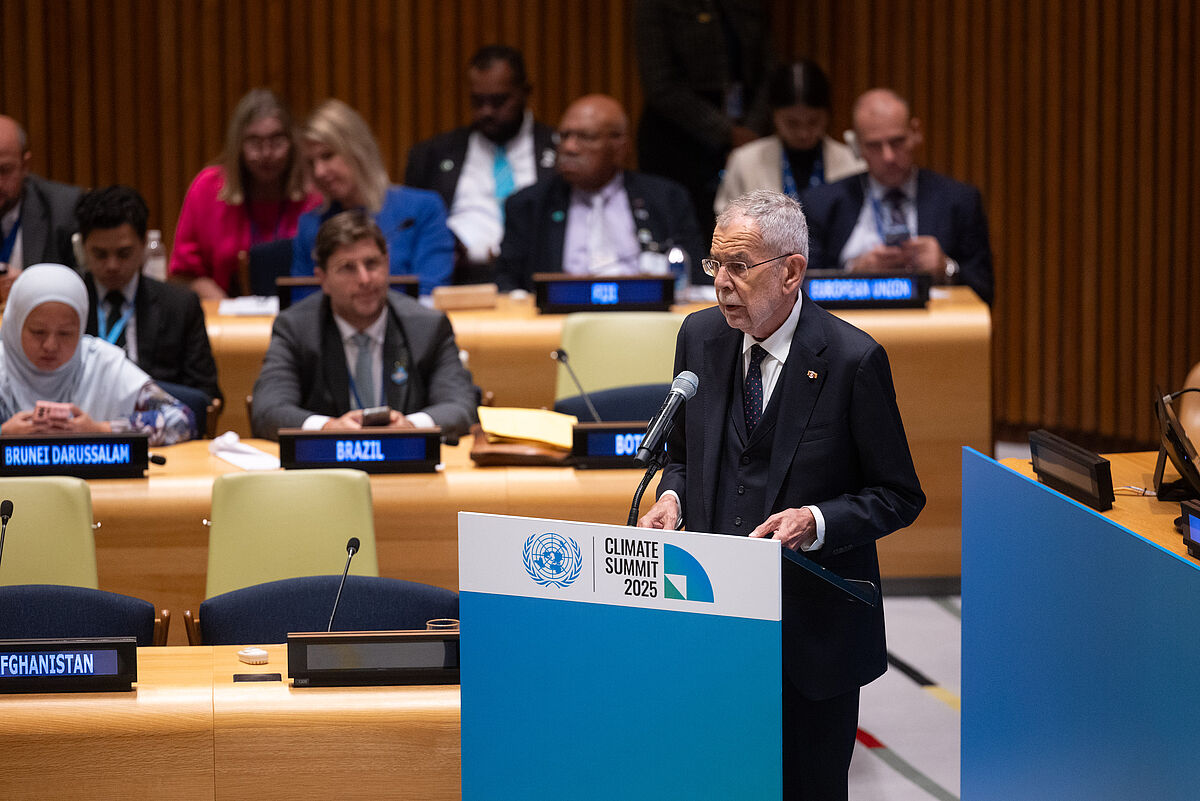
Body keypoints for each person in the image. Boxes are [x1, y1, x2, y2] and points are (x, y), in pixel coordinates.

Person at [637, 190, 925, 800]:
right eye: (714, 265)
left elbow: (898, 494)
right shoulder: (700, 338)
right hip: (713, 625)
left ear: (791, 272)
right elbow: (686, 456)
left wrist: (816, 521)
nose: (720, 284)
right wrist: (673, 497)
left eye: (739, 266)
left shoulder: (852, 360)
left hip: (810, 640)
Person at [253, 210, 475, 441]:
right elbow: (268, 410)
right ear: (323, 279)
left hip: (408, 465)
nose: (365, 279)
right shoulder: (296, 329)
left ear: (387, 264)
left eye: (372, 264)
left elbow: (460, 406)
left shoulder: (428, 328)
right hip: (330, 471)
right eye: (347, 268)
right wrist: (328, 428)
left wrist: (411, 426)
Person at [802, 88, 995, 304]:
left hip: (933, 329)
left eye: (897, 142)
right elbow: (800, 292)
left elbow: (985, 290)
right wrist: (852, 274)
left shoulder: (960, 201)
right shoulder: (820, 205)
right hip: (849, 330)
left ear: (915, 133)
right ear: (857, 146)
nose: (888, 156)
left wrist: (946, 268)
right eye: (875, 146)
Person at [494, 94, 703, 292]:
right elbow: (507, 283)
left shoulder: (667, 198)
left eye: (585, 137)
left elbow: (694, 276)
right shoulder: (529, 204)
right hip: (558, 322)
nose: (569, 147)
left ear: (620, 147)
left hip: (646, 319)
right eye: (564, 136)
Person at [0, 263, 194, 445]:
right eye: (38, 332)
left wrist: (102, 430)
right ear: (15, 326)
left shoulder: (100, 362)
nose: (51, 346)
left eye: (65, 333)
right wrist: (3, 435)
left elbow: (182, 420)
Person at [76, 186, 221, 430]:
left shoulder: (179, 305)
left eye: (124, 254)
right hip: (79, 433)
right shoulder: (65, 304)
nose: (112, 266)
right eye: (100, 254)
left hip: (157, 435)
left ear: (144, 244)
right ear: (82, 247)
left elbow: (206, 397)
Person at [404, 45, 557, 276]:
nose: (486, 112)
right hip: (458, 278)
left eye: (498, 101)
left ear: (525, 92)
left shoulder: (558, 151)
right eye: (478, 101)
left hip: (534, 275)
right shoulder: (432, 155)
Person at [634, 0, 774, 238]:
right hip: (679, 140)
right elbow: (661, 85)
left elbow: (770, 70)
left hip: (747, 130)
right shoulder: (656, 5)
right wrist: (729, 134)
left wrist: (751, 130)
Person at [169, 89, 321, 299]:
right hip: (226, 320)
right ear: (238, 145)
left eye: (277, 141)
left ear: (293, 143)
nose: (266, 154)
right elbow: (183, 274)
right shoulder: (208, 188)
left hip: (300, 317)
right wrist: (224, 307)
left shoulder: (315, 191)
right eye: (254, 143)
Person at [293, 99, 454, 296]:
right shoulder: (310, 225)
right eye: (311, 163)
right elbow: (301, 303)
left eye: (327, 156)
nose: (319, 172)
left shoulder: (423, 209)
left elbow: (430, 293)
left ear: (357, 150)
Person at [714, 60, 863, 214]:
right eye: (792, 123)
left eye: (813, 122)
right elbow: (727, 227)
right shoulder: (744, 162)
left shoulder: (854, 163)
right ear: (774, 115)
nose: (803, 133)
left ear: (827, 115)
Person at [0, 115, 81, 301]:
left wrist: (32, 286)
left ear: (25, 165)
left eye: (4, 170)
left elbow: (85, 283)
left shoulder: (64, 208)